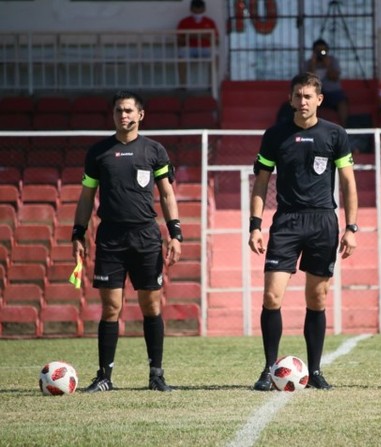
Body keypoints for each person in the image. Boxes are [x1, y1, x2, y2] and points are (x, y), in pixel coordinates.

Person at [249, 72, 358, 391]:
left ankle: (316, 371)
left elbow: (349, 182)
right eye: (298, 96)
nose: (303, 101)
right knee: (271, 296)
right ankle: (270, 369)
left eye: (309, 96)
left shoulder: (335, 134)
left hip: (323, 220)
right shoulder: (275, 135)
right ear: (291, 99)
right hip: (286, 221)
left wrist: (351, 227)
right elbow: (261, 182)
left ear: (319, 100)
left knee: (317, 297)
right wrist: (255, 225)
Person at [72, 90, 182, 393]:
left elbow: (167, 194)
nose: (124, 115)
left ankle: (156, 374)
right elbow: (85, 198)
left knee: (151, 306)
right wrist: (78, 233)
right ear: (113, 115)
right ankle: (104, 376)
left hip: (146, 236)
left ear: (140, 115)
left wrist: (176, 233)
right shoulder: (98, 152)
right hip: (110, 237)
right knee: (111, 308)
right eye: (119, 110)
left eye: (129, 110)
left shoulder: (155, 151)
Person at [304, 39, 349, 126]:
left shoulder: (333, 61)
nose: (321, 54)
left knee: (342, 101)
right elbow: (306, 81)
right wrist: (313, 65)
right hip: (315, 93)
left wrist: (328, 65)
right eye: (318, 51)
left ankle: (344, 127)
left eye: (323, 51)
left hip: (332, 93)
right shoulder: (308, 63)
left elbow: (335, 77)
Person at [177, 0, 219, 87]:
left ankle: (212, 84)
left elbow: (217, 41)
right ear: (191, 9)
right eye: (195, 10)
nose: (198, 13)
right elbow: (179, 41)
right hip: (190, 48)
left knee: (215, 56)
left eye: (200, 10)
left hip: (205, 48)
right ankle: (183, 85)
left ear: (204, 9)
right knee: (181, 55)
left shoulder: (210, 22)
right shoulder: (184, 22)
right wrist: (190, 37)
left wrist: (205, 37)